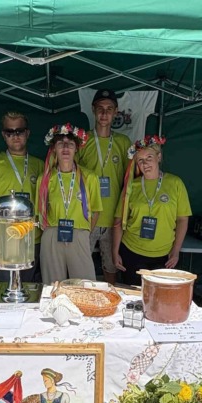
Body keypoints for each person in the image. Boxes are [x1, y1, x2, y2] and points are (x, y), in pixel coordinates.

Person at [0, 112, 44, 283]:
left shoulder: (39, 165)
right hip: (2, 238)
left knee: (28, 286)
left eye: (19, 131)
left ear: (27, 133)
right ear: (4, 135)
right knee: (6, 287)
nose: (15, 136)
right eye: (10, 132)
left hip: (32, 237)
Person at [112, 136, 192, 285]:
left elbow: (182, 219)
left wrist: (175, 251)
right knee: (133, 295)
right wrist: (115, 252)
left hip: (164, 255)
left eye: (149, 157)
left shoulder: (175, 183)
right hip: (132, 251)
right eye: (140, 160)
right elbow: (118, 220)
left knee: (159, 295)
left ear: (158, 157)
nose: (145, 163)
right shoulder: (131, 186)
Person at [76, 89, 131, 285]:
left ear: (116, 112)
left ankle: (109, 298)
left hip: (113, 218)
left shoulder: (123, 142)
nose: (104, 113)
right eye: (100, 108)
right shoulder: (82, 140)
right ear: (93, 110)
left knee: (111, 267)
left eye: (109, 109)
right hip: (86, 216)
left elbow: (129, 181)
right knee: (80, 266)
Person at [36, 123, 103, 284]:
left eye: (70, 144)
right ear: (54, 148)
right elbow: (40, 211)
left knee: (84, 285)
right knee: (52, 285)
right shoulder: (45, 179)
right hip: (52, 233)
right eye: (61, 143)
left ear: (76, 148)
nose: (65, 148)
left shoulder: (90, 177)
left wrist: (84, 232)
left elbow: (96, 211)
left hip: (79, 233)